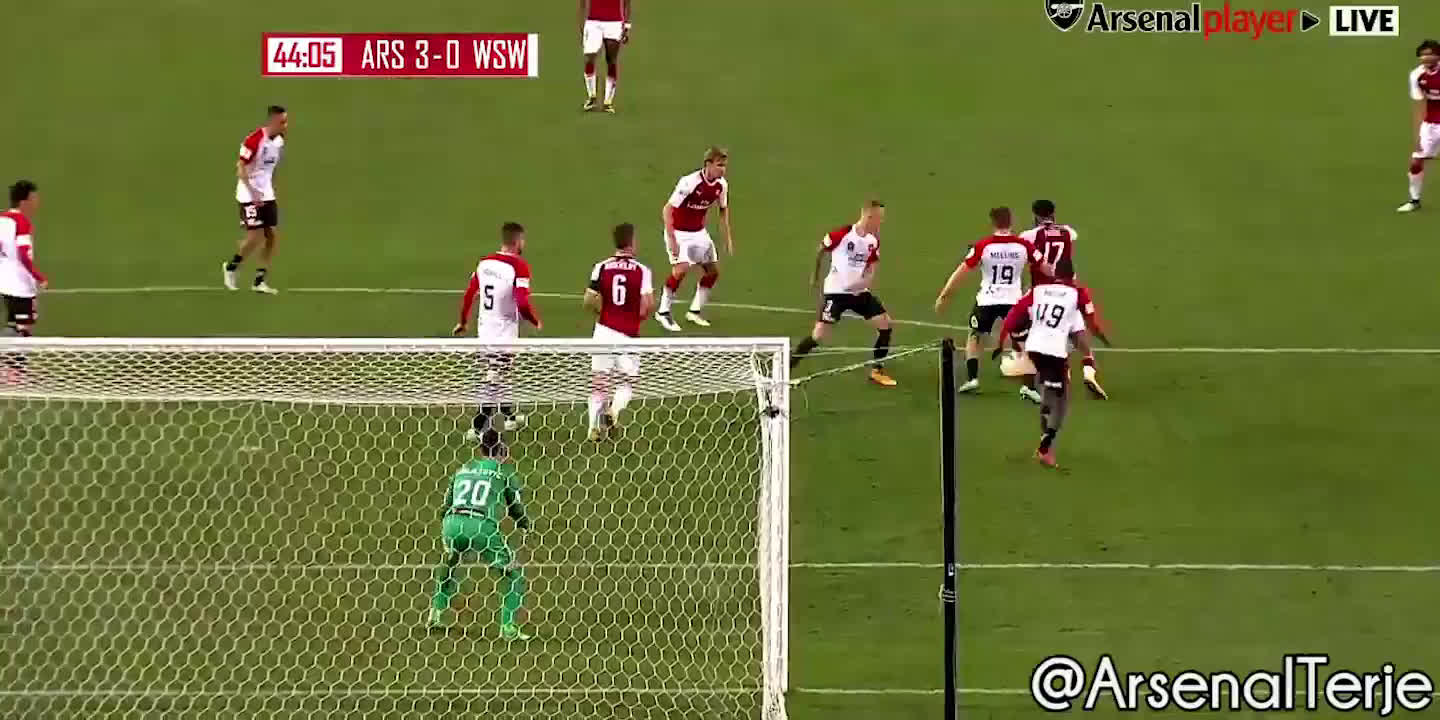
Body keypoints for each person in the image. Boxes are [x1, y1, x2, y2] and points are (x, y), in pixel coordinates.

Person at [995, 258, 1110, 468]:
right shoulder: (1077, 293)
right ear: (1073, 276)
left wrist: (1000, 342)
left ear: (1055, 274)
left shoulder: (1038, 290)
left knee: (1048, 391)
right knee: (1062, 400)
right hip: (1054, 351)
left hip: (1034, 348)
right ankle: (1044, 449)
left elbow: (1012, 317)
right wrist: (1101, 341)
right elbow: (1088, 326)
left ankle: (1044, 436)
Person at [428, 431, 531, 639]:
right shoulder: (503, 472)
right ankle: (508, 628)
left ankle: (435, 613)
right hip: (481, 526)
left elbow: (445, 505)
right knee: (513, 575)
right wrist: (524, 524)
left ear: (480, 449)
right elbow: (515, 507)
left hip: (452, 523)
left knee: (450, 563)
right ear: (503, 450)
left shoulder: (463, 469)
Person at [933, 206, 1043, 396]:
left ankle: (972, 379)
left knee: (975, 336)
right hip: (1014, 301)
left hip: (987, 300)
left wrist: (944, 296)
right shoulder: (1023, 245)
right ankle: (1029, 387)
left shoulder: (984, 246)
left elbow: (961, 273)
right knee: (1024, 340)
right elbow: (1045, 267)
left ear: (993, 223)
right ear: (1011, 221)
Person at [789, 200, 896, 387]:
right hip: (836, 293)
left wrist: (865, 281)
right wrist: (815, 276)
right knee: (818, 335)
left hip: (858, 293)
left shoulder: (873, 240)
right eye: (880, 218)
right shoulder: (842, 235)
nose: (882, 222)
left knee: (885, 324)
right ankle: (787, 365)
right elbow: (821, 249)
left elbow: (871, 266)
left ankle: (877, 370)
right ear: (869, 217)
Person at [454, 222, 543, 435]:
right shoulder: (519, 266)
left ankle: (509, 415)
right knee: (495, 376)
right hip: (504, 332)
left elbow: (469, 294)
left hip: (485, 329)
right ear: (518, 241)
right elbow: (522, 302)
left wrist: (463, 322)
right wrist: (534, 320)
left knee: (500, 372)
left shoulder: (485, 263)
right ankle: (477, 427)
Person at [584, 223, 653, 440]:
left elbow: (588, 300)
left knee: (599, 382)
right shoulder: (642, 271)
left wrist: (603, 312)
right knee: (628, 381)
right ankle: (613, 411)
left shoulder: (601, 267)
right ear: (632, 242)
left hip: (603, 331)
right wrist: (635, 317)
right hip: (628, 334)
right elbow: (647, 305)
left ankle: (592, 427)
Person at [655, 147, 733, 331]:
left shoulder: (721, 185)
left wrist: (727, 238)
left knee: (712, 272)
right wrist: (672, 239)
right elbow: (667, 209)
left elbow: (723, 210)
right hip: (679, 233)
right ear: (708, 164)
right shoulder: (689, 182)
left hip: (699, 233)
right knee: (681, 269)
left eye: (724, 166)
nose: (722, 169)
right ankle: (663, 312)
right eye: (719, 165)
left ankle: (694, 311)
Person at [223, 105, 288, 294]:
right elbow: (240, 168)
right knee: (255, 236)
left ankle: (259, 281)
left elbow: (270, 169)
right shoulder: (254, 140)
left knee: (272, 236)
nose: (285, 125)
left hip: (266, 194)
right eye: (282, 122)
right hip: (248, 194)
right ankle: (231, 267)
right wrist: (253, 193)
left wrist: (269, 191)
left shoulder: (279, 142)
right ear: (272, 121)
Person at [1399, 39, 1440, 213]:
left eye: (1430, 54)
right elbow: (1419, 104)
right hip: (1431, 124)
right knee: (1416, 162)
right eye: (1423, 55)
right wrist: (1417, 136)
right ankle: (1414, 200)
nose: (1426, 57)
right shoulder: (1417, 75)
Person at [580, 0, 631, 112]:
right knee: (590, 56)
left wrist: (627, 26)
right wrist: (582, 21)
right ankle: (592, 96)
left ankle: (608, 102)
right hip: (593, 22)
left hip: (614, 23)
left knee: (611, 60)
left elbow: (627, 2)